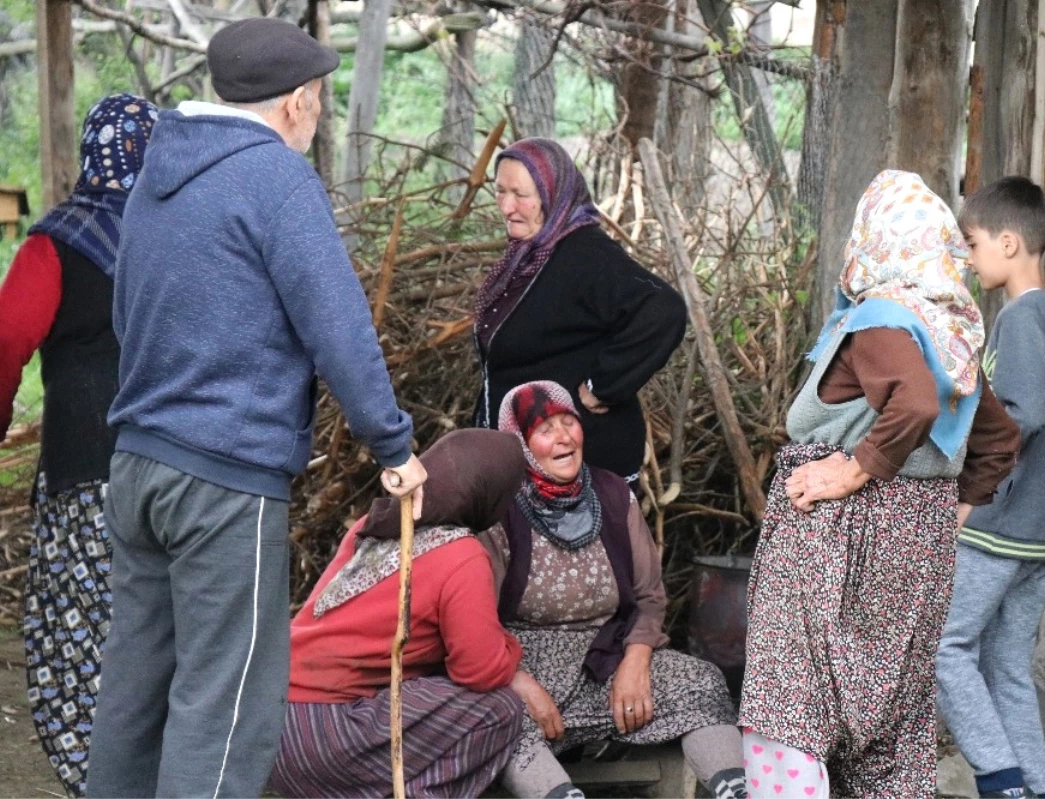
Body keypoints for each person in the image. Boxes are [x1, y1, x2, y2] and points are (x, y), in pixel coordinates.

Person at [86, 19, 426, 799]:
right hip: (223, 482)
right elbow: (336, 324)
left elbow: (124, 315)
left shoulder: (153, 174)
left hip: (137, 464)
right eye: (320, 101)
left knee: (133, 692)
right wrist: (393, 446)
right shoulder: (275, 179)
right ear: (299, 101)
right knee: (226, 704)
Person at [738, 170, 1022, 798]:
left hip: (834, 545)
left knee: (792, 707)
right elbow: (999, 439)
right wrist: (951, 513)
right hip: (914, 550)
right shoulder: (948, 338)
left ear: (872, 237)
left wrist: (854, 469)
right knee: (889, 735)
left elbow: (914, 402)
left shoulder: (881, 320)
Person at [479, 380, 747, 799]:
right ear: (521, 442)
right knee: (493, 717)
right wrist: (518, 681)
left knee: (702, 682)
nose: (564, 437)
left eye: (569, 422)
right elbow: (474, 621)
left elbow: (649, 596)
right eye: (546, 430)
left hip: (608, 656)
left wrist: (636, 661)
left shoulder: (612, 493)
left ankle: (739, 791)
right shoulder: (498, 508)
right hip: (526, 665)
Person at [0, 94, 157, 797]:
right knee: (165, 627)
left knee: (86, 628)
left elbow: (7, 336)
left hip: (88, 466)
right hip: (183, 467)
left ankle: (100, 776)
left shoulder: (60, 240)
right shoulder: (181, 235)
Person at [936, 177, 1045, 799]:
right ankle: (1037, 789)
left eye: (971, 245)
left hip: (1002, 525)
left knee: (946, 650)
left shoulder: (1021, 319)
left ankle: (1002, 783)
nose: (968, 261)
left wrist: (969, 492)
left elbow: (1021, 413)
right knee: (1005, 664)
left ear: (1007, 241)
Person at [270, 429, 527, 798]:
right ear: (490, 492)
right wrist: (512, 649)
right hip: (327, 737)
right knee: (500, 709)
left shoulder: (374, 525)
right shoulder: (462, 555)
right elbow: (480, 670)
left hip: (271, 727)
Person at [473, 137, 688, 482]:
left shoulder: (585, 255)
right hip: (531, 461)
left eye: (521, 195)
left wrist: (602, 385)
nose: (506, 206)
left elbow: (664, 309)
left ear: (554, 194)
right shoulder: (533, 255)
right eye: (500, 191)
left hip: (579, 469)